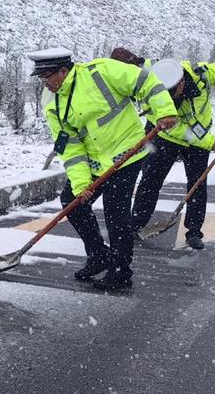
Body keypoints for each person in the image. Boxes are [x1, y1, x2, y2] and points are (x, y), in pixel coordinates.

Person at [29, 48, 178, 291]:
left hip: (126, 154)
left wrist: (165, 110)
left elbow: (146, 82)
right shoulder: (52, 104)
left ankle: (120, 273)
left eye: (47, 77)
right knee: (72, 202)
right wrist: (81, 185)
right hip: (97, 163)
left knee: (116, 213)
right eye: (41, 78)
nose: (45, 84)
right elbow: (71, 147)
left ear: (63, 71)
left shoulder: (101, 71)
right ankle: (99, 255)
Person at [131, 59, 215, 249]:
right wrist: (210, 142)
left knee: (197, 184)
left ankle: (194, 231)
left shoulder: (203, 76)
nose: (169, 99)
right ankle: (135, 224)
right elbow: (177, 129)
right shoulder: (155, 94)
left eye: (172, 93)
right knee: (150, 180)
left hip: (198, 141)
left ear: (181, 82)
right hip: (167, 138)